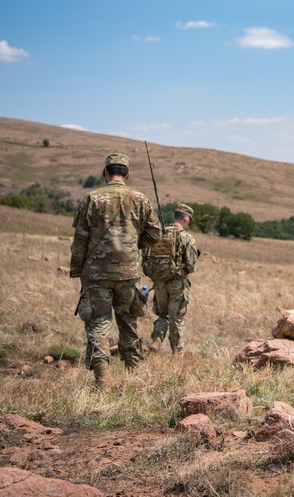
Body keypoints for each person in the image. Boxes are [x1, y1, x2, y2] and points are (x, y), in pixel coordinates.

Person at [70, 153, 161, 389]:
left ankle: (102, 380)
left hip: (97, 275)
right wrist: (132, 245)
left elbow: (80, 239)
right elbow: (154, 235)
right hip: (129, 274)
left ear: (106, 173)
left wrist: (78, 270)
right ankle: (134, 376)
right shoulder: (140, 199)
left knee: (98, 325)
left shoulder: (92, 198)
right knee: (128, 323)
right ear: (127, 174)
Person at [148, 203, 199, 355]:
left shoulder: (159, 234)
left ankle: (156, 341)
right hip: (177, 284)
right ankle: (176, 353)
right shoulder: (187, 238)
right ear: (185, 218)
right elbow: (191, 266)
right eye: (189, 219)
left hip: (159, 283)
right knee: (176, 319)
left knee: (162, 315)